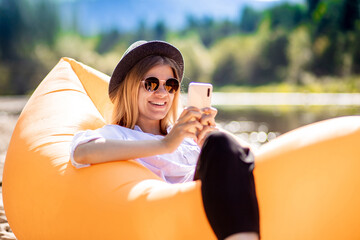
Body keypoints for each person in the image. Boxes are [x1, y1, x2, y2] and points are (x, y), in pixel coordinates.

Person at [70, 40, 260, 240]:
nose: (162, 93)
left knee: (219, 141)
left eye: (170, 85)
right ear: (129, 87)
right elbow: (82, 152)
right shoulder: (119, 134)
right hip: (174, 216)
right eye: (151, 84)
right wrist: (165, 144)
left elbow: (249, 159)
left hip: (213, 202)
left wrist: (208, 138)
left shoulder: (186, 136)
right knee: (219, 143)